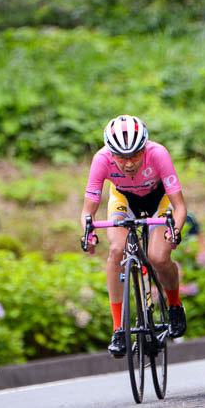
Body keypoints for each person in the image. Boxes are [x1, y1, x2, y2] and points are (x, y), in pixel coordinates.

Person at [81, 115, 188, 358]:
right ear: (111, 153)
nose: (128, 164)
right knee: (117, 250)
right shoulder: (101, 160)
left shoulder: (158, 154)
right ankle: (118, 328)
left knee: (158, 257)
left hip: (158, 199)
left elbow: (179, 206)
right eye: (121, 157)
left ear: (144, 149)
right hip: (123, 199)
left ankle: (174, 304)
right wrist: (88, 234)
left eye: (135, 156)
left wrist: (175, 231)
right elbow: (89, 210)